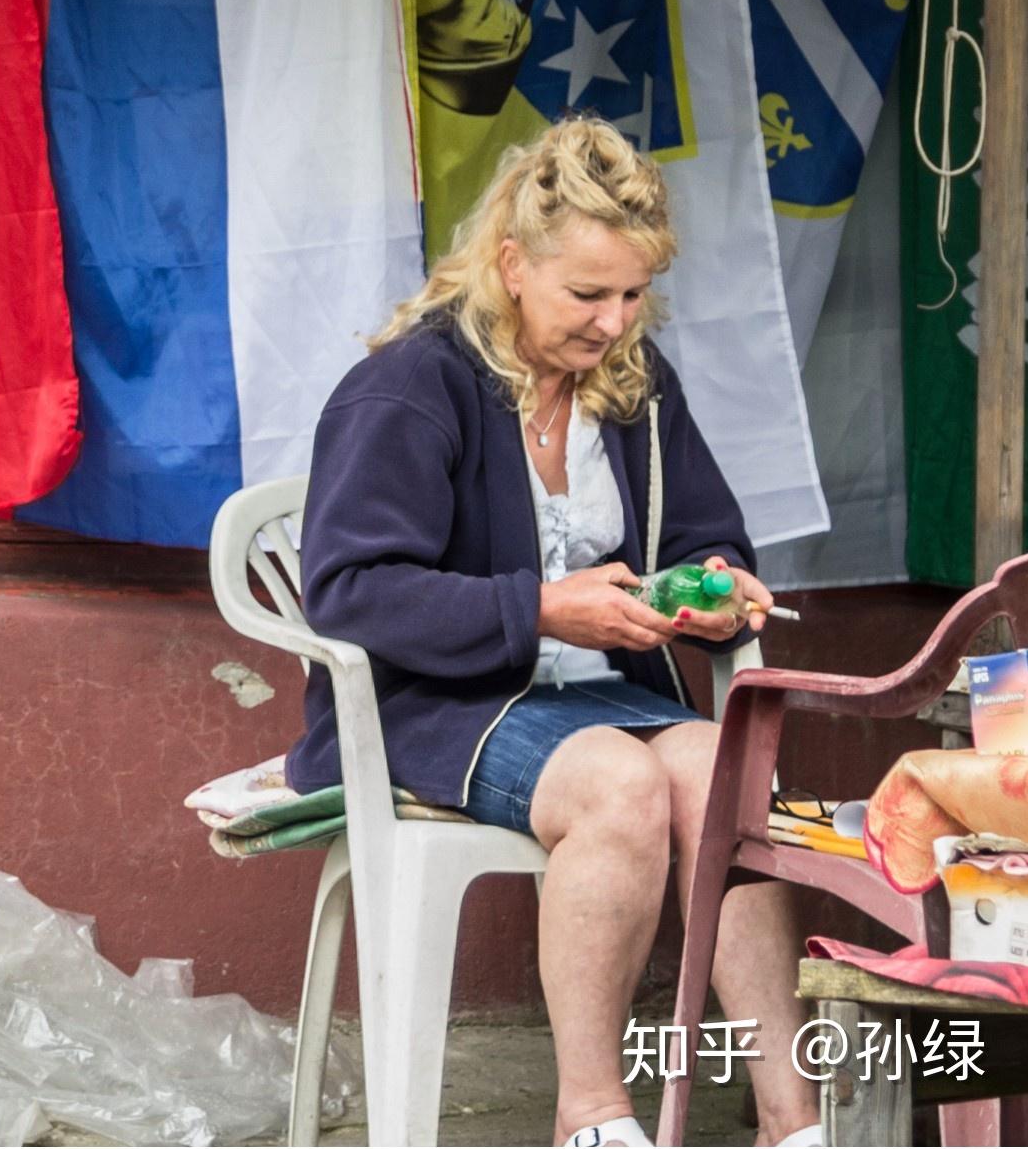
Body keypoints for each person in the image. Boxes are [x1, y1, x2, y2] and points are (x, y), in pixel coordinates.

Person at [285, 114, 820, 1149]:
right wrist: (534, 607)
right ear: (509, 263)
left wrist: (709, 588)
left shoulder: (631, 385)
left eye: (631, 294)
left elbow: (706, 530)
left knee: (727, 767)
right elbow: (349, 591)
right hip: (436, 701)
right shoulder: (410, 386)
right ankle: (592, 1117)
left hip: (591, 695)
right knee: (616, 786)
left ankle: (790, 1118)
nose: (614, 321)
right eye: (587, 294)